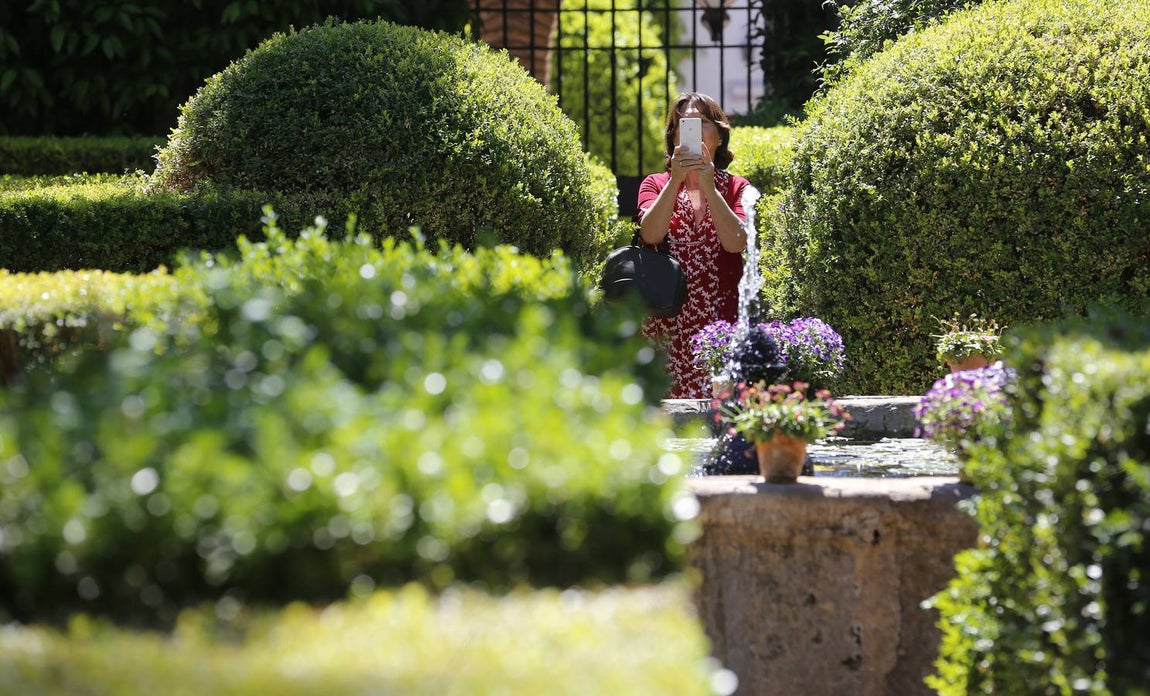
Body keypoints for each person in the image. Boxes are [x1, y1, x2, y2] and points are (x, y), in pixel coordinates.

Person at [635, 92, 750, 399]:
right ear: (673, 137)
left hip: (719, 331)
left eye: (700, 125)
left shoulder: (738, 188)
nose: (690, 133)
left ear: (719, 135)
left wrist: (710, 187)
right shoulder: (655, 184)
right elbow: (651, 234)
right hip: (665, 329)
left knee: (720, 417)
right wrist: (676, 180)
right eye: (682, 126)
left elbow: (736, 242)